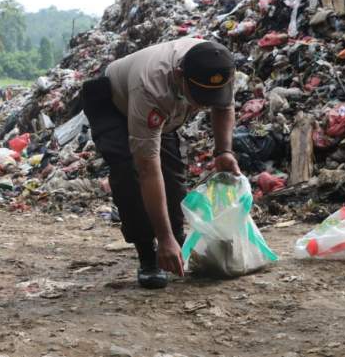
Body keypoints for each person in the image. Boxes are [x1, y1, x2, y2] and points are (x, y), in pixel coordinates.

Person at [81, 38, 240, 289]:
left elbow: (223, 106)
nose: (201, 105)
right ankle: (148, 255)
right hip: (114, 104)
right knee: (129, 174)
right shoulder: (150, 87)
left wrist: (224, 151)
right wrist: (162, 238)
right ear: (179, 75)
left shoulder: (218, 65)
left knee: (174, 176)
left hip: (165, 110)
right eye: (198, 97)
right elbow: (148, 169)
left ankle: (176, 242)